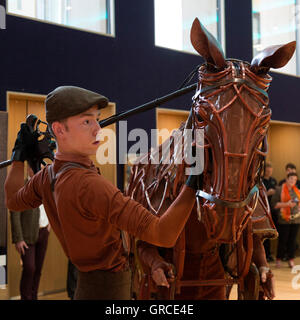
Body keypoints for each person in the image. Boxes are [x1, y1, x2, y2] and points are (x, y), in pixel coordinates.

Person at [5, 86, 199, 300]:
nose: (98, 128)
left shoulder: (48, 176)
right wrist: (194, 180)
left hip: (87, 288)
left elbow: (13, 200)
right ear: (59, 130)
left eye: (97, 119)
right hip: (110, 292)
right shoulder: (89, 186)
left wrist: (18, 155)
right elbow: (164, 234)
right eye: (86, 122)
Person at [10, 167, 50, 300]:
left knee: (38, 269)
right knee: (29, 268)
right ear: (29, 169)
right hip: (27, 235)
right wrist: (18, 239)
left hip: (43, 232)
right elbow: (14, 212)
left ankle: (34, 297)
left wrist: (50, 224)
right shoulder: (21, 187)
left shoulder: (45, 186)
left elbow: (51, 204)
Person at [271, 172, 300, 268]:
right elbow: (274, 205)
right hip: (283, 219)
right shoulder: (279, 189)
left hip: (295, 220)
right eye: (291, 178)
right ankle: (278, 259)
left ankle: (291, 259)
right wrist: (286, 204)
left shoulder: (297, 191)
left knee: (292, 241)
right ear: (286, 179)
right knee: (283, 240)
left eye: (295, 179)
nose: (292, 181)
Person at [262, 163, 277, 262]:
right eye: (267, 171)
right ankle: (264, 256)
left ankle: (269, 254)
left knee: (271, 232)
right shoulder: (261, 181)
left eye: (270, 171)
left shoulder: (274, 180)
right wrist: (267, 193)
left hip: (273, 209)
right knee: (264, 233)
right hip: (263, 210)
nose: (269, 172)